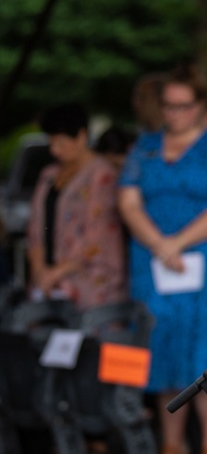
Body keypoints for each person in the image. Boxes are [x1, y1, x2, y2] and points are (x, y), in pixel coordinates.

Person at [118, 62, 207, 454]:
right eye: (169, 106)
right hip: (154, 263)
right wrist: (160, 244)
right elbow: (128, 201)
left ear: (199, 105)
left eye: (183, 105)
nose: (175, 113)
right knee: (162, 342)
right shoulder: (143, 148)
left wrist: (178, 242)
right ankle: (170, 444)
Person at [26, 104, 126, 310]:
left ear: (81, 136)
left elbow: (97, 236)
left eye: (61, 143)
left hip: (89, 283)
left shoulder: (101, 175)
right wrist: (40, 270)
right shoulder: (48, 175)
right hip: (47, 283)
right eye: (51, 143)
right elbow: (36, 226)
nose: (55, 150)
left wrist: (57, 272)